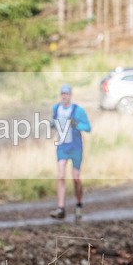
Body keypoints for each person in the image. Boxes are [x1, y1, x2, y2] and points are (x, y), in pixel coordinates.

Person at [50, 83, 91, 221]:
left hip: (76, 147)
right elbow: (54, 122)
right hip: (62, 146)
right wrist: (52, 124)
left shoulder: (78, 110)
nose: (64, 96)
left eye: (66, 94)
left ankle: (79, 204)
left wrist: (76, 124)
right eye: (62, 94)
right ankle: (61, 208)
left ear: (70, 95)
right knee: (61, 175)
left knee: (76, 178)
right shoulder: (56, 108)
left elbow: (88, 127)